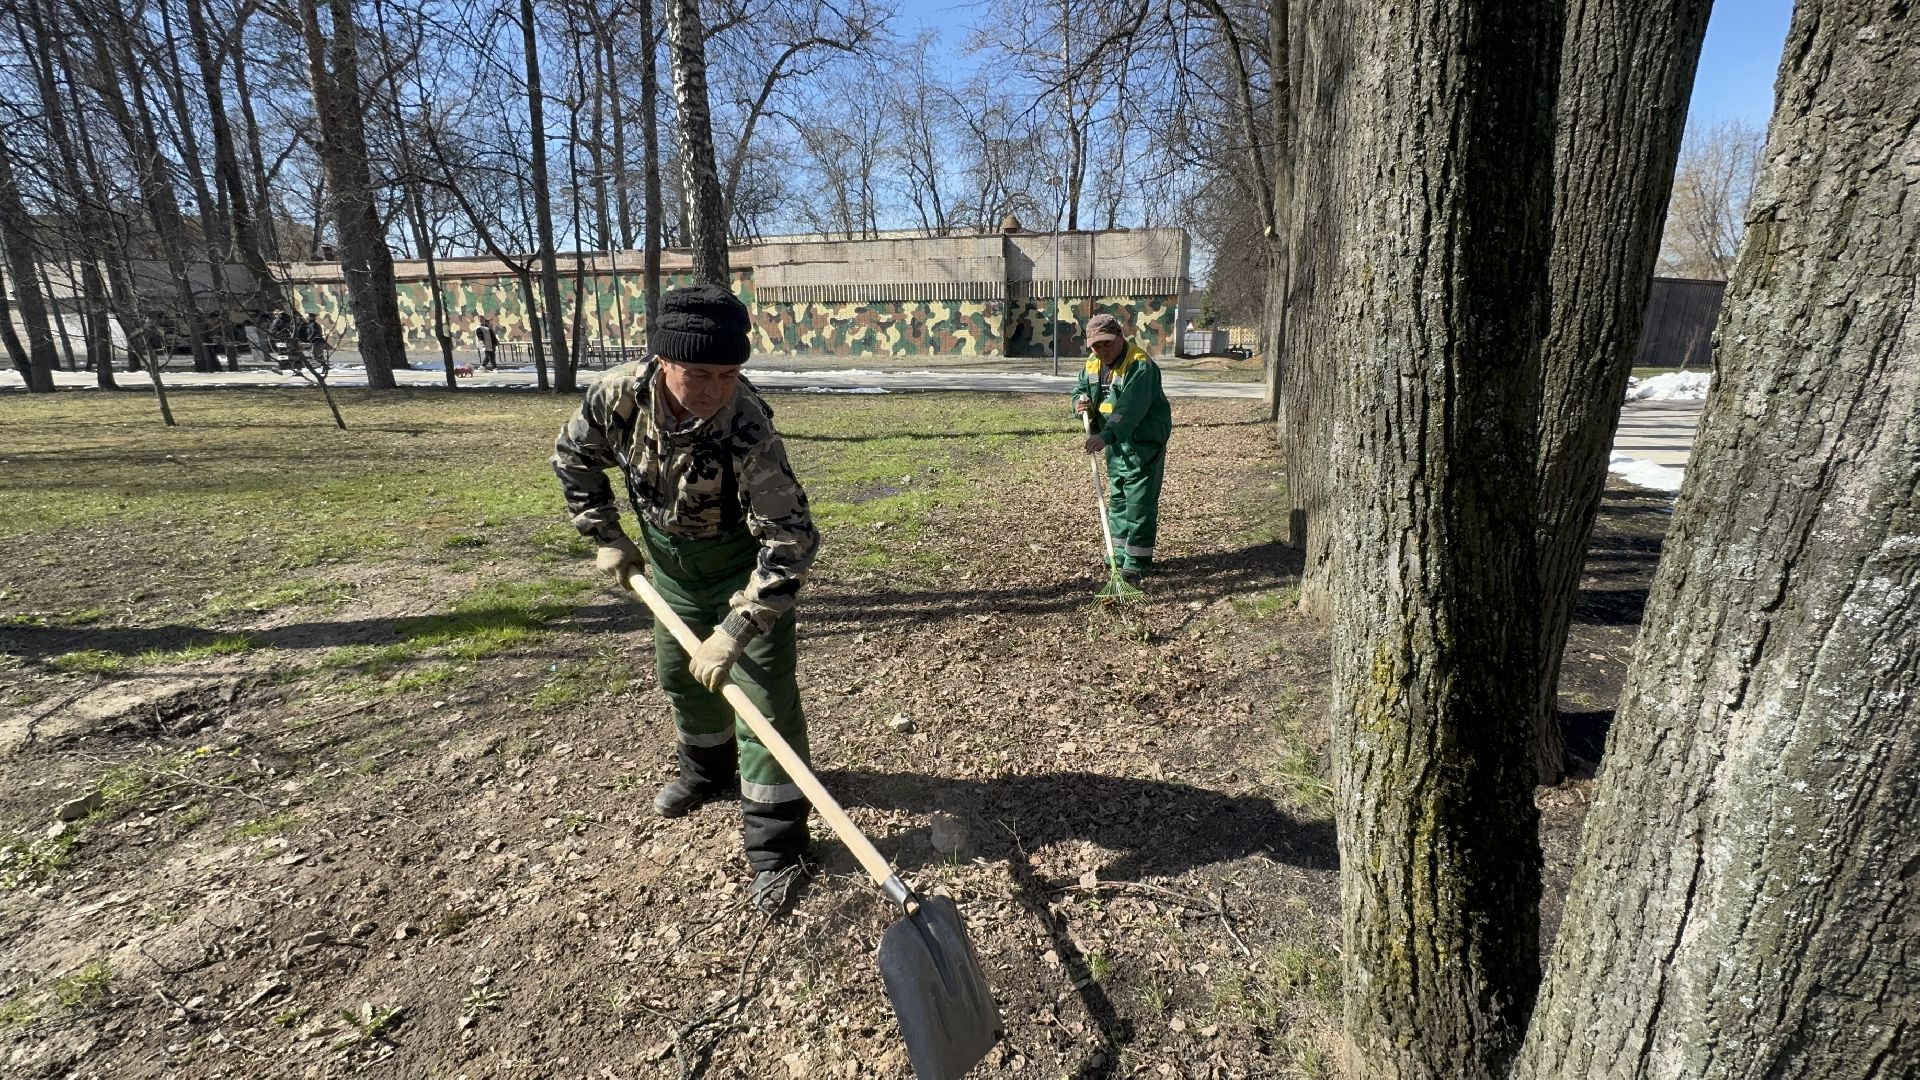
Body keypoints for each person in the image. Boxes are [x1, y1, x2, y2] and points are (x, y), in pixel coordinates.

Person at [551, 283, 820, 915]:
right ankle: (706, 773)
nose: (712, 390)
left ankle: (776, 847)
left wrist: (738, 626)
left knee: (764, 703)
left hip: (739, 573)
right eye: (697, 373)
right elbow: (572, 459)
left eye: (728, 374)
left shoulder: (747, 426)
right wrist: (606, 534)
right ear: (662, 361)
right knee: (678, 676)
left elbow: (791, 539)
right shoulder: (617, 398)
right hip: (667, 567)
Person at [1073, 312, 1172, 583]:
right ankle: (1116, 553)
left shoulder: (1140, 366)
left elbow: (1129, 408)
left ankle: (1137, 560)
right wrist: (1079, 403)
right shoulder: (1093, 364)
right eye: (1096, 345)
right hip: (1115, 443)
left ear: (1120, 337)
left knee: (1138, 503)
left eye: (1107, 343)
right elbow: (1081, 388)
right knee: (1117, 499)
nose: (1102, 350)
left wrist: (1107, 435)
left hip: (1143, 443)